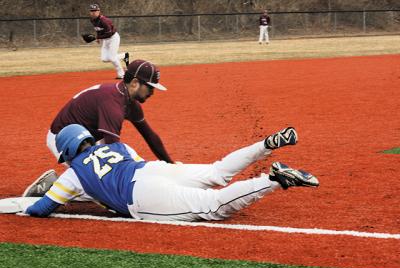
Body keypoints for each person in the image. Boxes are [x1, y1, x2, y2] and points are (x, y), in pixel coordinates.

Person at [25, 125, 319, 221]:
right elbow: (129, 166)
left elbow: (42, 209)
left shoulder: (72, 174)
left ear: (69, 151)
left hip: (141, 196)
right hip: (152, 169)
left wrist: (46, 199)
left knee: (212, 207)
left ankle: (274, 180)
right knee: (217, 172)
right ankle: (266, 144)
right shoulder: (119, 146)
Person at [23, 59, 174, 197]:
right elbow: (111, 152)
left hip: (87, 138)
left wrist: (170, 164)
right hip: (64, 140)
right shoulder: (112, 104)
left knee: (106, 180)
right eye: (150, 87)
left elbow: (150, 136)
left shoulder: (129, 102)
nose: (152, 93)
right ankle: (51, 186)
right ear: (135, 83)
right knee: (101, 189)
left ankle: (74, 181)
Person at [89, 3, 129, 79]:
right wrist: (98, 37)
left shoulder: (103, 20)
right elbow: (97, 29)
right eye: (92, 11)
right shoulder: (92, 20)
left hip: (113, 38)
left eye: (95, 10)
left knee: (112, 58)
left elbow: (109, 34)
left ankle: (122, 75)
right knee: (104, 59)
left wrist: (98, 37)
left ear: (99, 11)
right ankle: (124, 56)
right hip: (106, 39)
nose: (93, 12)